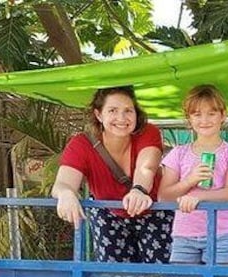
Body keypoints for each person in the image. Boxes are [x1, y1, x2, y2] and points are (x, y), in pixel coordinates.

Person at [52, 85, 172, 262]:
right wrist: (66, 194)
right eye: (112, 110)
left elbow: (146, 167)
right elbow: (63, 183)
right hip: (109, 215)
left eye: (128, 111)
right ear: (99, 114)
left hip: (154, 211)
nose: (121, 118)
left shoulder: (148, 132)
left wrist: (139, 190)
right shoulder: (81, 144)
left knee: (162, 275)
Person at [158, 84, 228, 264]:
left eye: (211, 113)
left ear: (223, 115)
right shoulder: (178, 153)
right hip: (184, 235)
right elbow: (163, 196)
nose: (204, 120)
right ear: (189, 118)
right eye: (197, 114)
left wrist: (197, 196)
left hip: (221, 234)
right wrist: (190, 180)